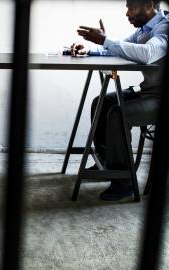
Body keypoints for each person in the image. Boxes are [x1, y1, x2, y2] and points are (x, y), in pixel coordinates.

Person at [71, 0, 168, 200]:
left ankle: (124, 182)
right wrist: (90, 50)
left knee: (118, 114)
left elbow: (148, 53)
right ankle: (106, 164)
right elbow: (122, 48)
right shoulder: (144, 30)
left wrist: (105, 40)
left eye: (131, 7)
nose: (127, 13)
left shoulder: (164, 27)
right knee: (102, 102)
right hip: (149, 92)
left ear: (149, 5)